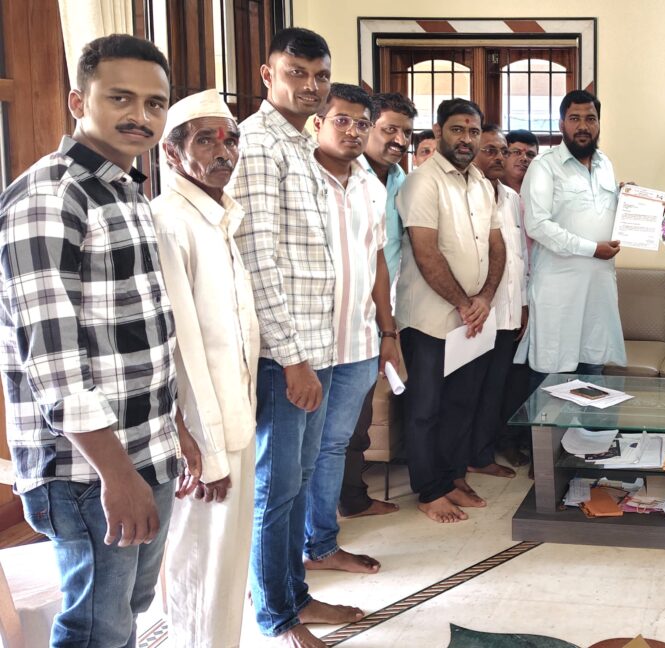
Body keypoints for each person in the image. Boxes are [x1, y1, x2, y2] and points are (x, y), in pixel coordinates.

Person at [0, 34, 191, 647]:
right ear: (79, 101)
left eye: (155, 103)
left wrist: (174, 431)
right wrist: (118, 476)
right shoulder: (50, 196)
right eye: (121, 98)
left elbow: (141, 329)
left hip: (145, 446)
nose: (141, 115)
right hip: (86, 468)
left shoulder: (125, 189)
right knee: (95, 630)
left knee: (127, 611)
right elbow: (54, 364)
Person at [227, 27, 363, 645]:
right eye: (296, 73)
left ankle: (295, 596)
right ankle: (276, 617)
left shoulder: (301, 143)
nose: (311, 86)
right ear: (267, 75)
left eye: (320, 75)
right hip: (288, 357)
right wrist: (292, 360)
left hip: (318, 347)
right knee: (276, 491)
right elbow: (259, 260)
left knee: (298, 483)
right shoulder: (258, 145)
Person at [151, 89, 259, 647]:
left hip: (234, 418)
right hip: (203, 437)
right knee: (202, 566)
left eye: (231, 139)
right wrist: (206, 449)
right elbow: (181, 350)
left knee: (225, 566)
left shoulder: (217, 217)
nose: (224, 152)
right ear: (172, 153)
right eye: (206, 141)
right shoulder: (171, 222)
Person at [302, 83, 398, 577]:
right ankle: (283, 554)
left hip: (358, 342)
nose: (354, 131)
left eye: (362, 123)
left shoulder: (371, 187)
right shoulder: (297, 178)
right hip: (306, 347)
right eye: (342, 120)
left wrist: (388, 334)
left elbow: (377, 261)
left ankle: (321, 544)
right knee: (294, 456)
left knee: (335, 446)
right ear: (317, 122)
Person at [397, 98, 506, 524]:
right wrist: (465, 303)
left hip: (472, 319)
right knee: (426, 409)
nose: (466, 139)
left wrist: (486, 298)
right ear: (439, 131)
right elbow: (426, 252)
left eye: (473, 131)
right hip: (430, 319)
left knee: (462, 404)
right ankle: (429, 491)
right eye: (457, 129)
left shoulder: (480, 183)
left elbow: (497, 245)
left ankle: (452, 477)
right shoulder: (422, 182)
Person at [340, 91, 417, 519]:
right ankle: (341, 503)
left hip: (381, 313)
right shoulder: (348, 175)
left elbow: (390, 254)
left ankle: (351, 496)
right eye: (389, 129)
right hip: (345, 311)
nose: (399, 140)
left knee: (360, 414)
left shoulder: (402, 180)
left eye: (406, 132)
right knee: (342, 420)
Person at [518, 90, 626, 382]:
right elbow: (537, 225)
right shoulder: (544, 166)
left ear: (599, 123)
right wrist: (592, 249)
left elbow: (602, 212)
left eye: (590, 118)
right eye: (574, 118)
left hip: (598, 294)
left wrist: (631, 201)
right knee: (553, 385)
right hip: (559, 295)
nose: (583, 126)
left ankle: (591, 418)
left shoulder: (605, 164)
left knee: (593, 381)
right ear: (561, 124)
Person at [469, 124, 524, 479]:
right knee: (469, 391)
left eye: (503, 151)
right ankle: (468, 456)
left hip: (508, 311)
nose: (500, 157)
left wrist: (524, 304)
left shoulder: (512, 198)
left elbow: (520, 257)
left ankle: (482, 454)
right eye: (490, 150)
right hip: (476, 312)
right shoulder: (465, 193)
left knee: (495, 389)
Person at [498, 129, 541, 468]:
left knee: (528, 373)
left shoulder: (538, 197)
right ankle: (506, 440)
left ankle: (526, 440)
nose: (523, 159)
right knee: (506, 375)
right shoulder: (494, 195)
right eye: (516, 152)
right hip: (501, 298)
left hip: (537, 295)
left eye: (530, 155)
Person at [503, 129, 540, 195]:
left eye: (530, 154)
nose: (524, 158)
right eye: (517, 152)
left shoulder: (543, 190)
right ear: (504, 154)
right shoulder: (490, 188)